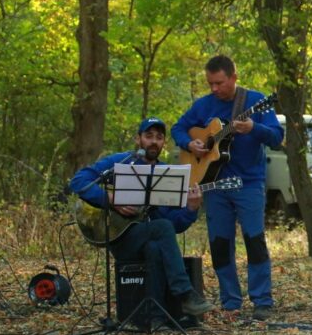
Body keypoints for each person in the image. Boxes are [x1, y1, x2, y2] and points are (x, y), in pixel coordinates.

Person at [172, 55, 284, 321]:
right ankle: (230, 301)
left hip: (248, 183)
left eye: (219, 83)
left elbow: (277, 137)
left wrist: (253, 128)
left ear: (234, 77)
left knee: (254, 240)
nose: (214, 88)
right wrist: (190, 144)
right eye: (210, 83)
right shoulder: (203, 106)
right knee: (220, 243)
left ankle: (262, 300)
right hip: (214, 185)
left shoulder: (255, 101)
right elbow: (178, 128)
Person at [70, 117, 215, 321]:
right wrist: (110, 200)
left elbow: (173, 227)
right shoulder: (120, 162)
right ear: (138, 139)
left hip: (145, 237)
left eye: (159, 137)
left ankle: (155, 317)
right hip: (118, 237)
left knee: (156, 245)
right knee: (161, 228)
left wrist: (191, 209)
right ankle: (185, 295)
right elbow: (79, 181)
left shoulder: (167, 176)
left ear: (164, 142)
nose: (154, 141)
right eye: (148, 136)